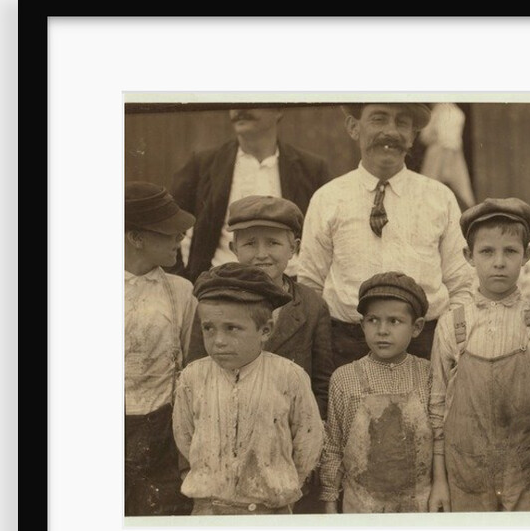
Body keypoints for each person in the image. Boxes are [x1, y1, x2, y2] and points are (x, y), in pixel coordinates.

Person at [298, 103, 475, 368]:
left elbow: (462, 283)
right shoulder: (328, 198)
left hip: (425, 346)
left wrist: (447, 341)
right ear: (354, 128)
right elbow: (310, 284)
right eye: (379, 120)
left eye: (402, 123)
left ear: (413, 136)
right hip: (346, 348)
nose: (390, 132)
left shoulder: (439, 198)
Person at [428, 198, 530, 512]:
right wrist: (439, 481)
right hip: (465, 477)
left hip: (528, 476)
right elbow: (437, 409)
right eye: (487, 252)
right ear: (468, 256)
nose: (499, 262)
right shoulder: (452, 324)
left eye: (510, 251)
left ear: (527, 255)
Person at [173, 263, 324, 515]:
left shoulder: (289, 376)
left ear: (265, 330)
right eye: (209, 328)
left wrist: (281, 485)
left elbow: (308, 441)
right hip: (209, 508)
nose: (218, 341)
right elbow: (185, 435)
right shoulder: (193, 378)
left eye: (232, 328)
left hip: (270, 509)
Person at [184, 195, 332, 418]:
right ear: (234, 248)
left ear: (294, 248)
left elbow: (321, 387)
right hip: (224, 422)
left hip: (286, 430)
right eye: (250, 243)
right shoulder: (213, 301)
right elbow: (195, 374)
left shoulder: (312, 306)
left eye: (273, 243)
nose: (262, 254)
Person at [172, 105, 331, 282]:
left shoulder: (311, 169)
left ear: (279, 109)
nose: (239, 109)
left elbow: (326, 237)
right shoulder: (203, 164)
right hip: (219, 286)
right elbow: (169, 224)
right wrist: (181, 282)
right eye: (235, 100)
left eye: (252, 99)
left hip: (289, 287)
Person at [319, 272, 433, 514]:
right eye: (373, 320)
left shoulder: (428, 375)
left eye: (394, 321)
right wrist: (330, 500)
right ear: (362, 325)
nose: (382, 330)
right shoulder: (345, 378)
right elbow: (333, 445)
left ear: (417, 327)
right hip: (362, 505)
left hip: (418, 504)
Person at [124, 181, 197, 516]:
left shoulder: (181, 292)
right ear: (135, 237)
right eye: (168, 233)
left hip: (162, 432)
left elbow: (189, 364)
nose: (179, 239)